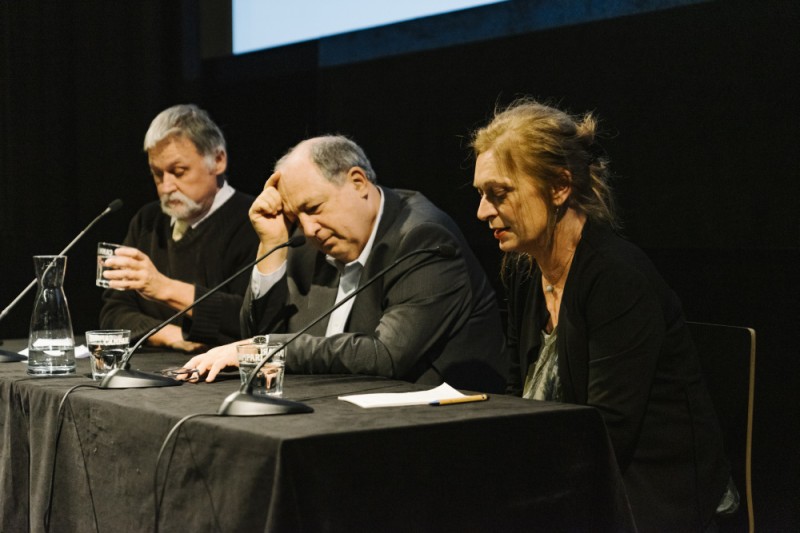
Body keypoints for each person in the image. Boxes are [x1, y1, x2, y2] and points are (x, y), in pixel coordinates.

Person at [471, 99, 732, 531]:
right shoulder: (522, 270)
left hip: (647, 495)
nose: (482, 211)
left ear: (559, 186)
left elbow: (608, 433)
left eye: (498, 194)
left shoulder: (617, 277)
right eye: (481, 195)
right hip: (567, 475)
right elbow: (518, 393)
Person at [183, 135, 506, 392]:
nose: (309, 228)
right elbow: (255, 340)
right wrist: (272, 244)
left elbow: (386, 355)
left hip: (440, 428)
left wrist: (266, 348)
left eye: (314, 207)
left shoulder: (423, 239)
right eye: (298, 215)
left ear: (358, 182)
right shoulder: (309, 241)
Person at [98, 104, 258, 351]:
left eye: (178, 171)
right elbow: (113, 314)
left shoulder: (255, 221)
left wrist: (162, 287)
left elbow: (251, 319)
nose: (166, 187)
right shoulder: (147, 221)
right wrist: (173, 336)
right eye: (157, 174)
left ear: (218, 160)